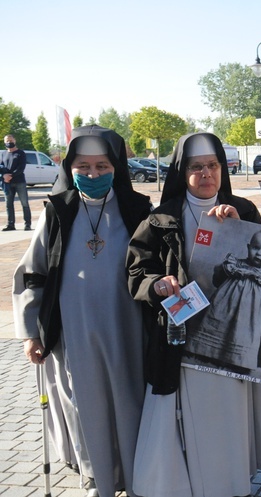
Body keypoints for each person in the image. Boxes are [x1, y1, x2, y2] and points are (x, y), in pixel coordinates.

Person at [126, 132, 261, 497]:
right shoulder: (160, 218)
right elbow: (136, 271)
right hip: (181, 336)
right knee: (183, 414)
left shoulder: (242, 210)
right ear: (183, 171)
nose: (206, 174)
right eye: (197, 167)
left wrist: (238, 227)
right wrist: (157, 285)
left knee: (226, 414)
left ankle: (229, 483)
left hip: (233, 332)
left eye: (213, 166)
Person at [13, 125, 152, 497]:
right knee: (83, 404)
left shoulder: (138, 209)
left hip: (128, 329)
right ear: (69, 167)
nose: (92, 175)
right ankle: (96, 476)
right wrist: (31, 331)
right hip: (74, 332)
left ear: (117, 167)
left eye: (102, 166)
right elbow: (32, 273)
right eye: (84, 166)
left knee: (130, 401)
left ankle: (138, 476)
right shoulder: (58, 212)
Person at [190, 228, 261, 369]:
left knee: (240, 334)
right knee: (216, 326)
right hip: (223, 305)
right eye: (255, 248)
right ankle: (206, 355)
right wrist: (223, 270)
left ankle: (234, 362)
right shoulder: (234, 264)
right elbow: (217, 280)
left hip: (248, 313)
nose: (259, 253)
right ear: (248, 247)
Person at [1, 134, 32, 231]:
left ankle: (27, 224)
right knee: (8, 204)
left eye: (11, 140)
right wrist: (4, 176)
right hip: (7, 183)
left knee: (24, 203)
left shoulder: (20, 153)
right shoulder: (3, 154)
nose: (9, 142)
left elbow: (21, 168)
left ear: (15, 141)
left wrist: (11, 176)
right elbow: (1, 167)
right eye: (7, 140)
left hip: (19, 182)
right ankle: (11, 224)